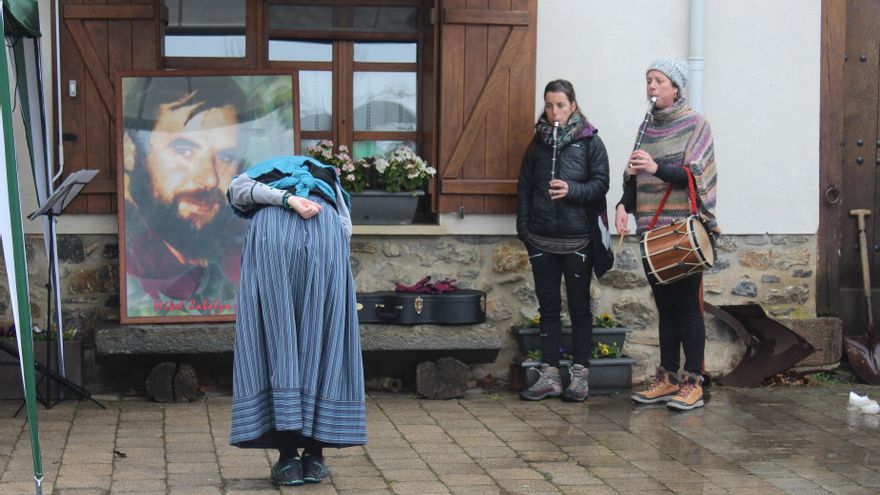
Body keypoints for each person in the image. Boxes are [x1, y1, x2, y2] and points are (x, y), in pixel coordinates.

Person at [226, 155, 364, 486]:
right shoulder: (326, 178)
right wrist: (292, 201)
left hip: (281, 243)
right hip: (321, 241)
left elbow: (237, 191)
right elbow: (346, 228)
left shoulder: (265, 175)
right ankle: (312, 456)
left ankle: (290, 458)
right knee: (322, 340)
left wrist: (284, 200)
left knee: (279, 341)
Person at [614, 58, 719, 411]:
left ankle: (694, 381)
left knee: (688, 307)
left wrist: (656, 167)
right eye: (648, 81)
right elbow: (634, 177)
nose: (652, 87)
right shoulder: (646, 128)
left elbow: (696, 176)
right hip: (650, 232)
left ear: (676, 87)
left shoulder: (696, 125)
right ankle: (667, 376)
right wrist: (622, 205)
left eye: (659, 80)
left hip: (681, 231)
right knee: (665, 308)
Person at [122, 76, 249, 318]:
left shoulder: (244, 254)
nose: (210, 179)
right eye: (184, 150)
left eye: (225, 157)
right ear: (130, 150)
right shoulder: (132, 263)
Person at [516, 79, 611, 402]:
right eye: (548, 105)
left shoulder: (590, 142)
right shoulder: (537, 144)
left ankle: (580, 374)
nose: (554, 112)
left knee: (580, 307)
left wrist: (572, 191)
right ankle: (550, 374)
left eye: (560, 105)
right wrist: (524, 232)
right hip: (541, 239)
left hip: (578, 239)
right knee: (549, 308)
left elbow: (601, 184)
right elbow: (525, 188)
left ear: (573, 105)